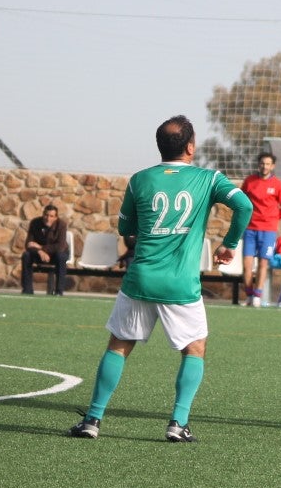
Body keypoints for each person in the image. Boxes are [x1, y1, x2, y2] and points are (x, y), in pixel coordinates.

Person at [69, 114, 253, 442]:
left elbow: (125, 229)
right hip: (180, 284)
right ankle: (177, 424)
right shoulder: (209, 179)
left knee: (118, 346)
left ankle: (92, 420)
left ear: (160, 147)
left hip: (140, 278)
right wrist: (229, 244)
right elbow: (245, 207)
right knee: (195, 347)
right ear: (191, 147)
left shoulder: (140, 180)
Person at [239, 152, 281, 306]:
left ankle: (257, 295)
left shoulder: (277, 184)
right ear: (259, 164)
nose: (265, 166)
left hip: (268, 230)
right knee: (247, 264)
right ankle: (249, 295)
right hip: (250, 229)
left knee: (263, 264)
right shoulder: (249, 182)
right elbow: (241, 202)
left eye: (268, 164)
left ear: (272, 166)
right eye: (262, 163)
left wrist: (273, 218)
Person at [20, 204, 70, 295]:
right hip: (39, 254)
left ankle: (59, 291)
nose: (48, 218)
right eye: (46, 215)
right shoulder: (35, 223)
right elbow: (29, 244)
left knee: (61, 257)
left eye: (51, 216)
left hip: (56, 253)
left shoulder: (62, 225)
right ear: (43, 214)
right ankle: (27, 290)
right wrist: (39, 251)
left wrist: (41, 248)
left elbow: (60, 246)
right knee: (26, 255)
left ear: (56, 217)